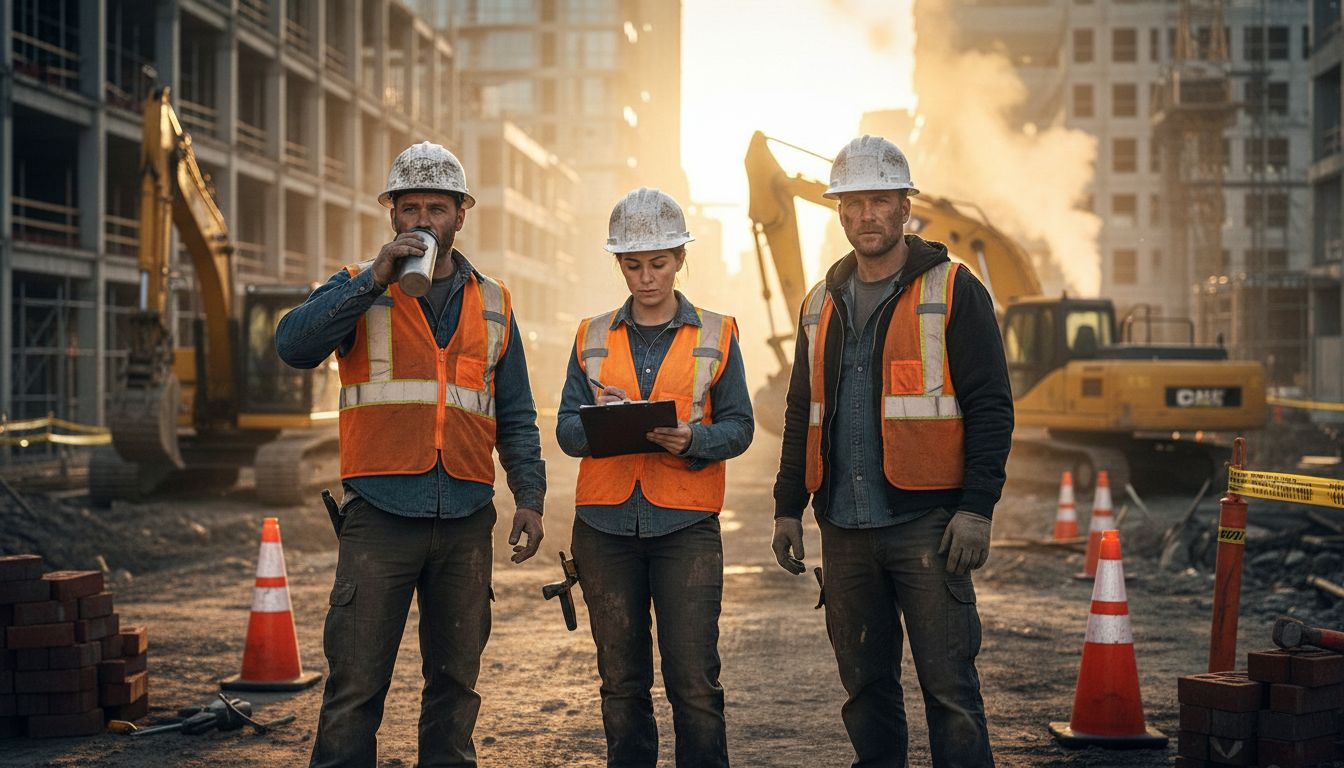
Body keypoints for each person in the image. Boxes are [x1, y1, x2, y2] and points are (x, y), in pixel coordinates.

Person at [275, 141, 546, 768]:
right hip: (380, 517)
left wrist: (529, 498)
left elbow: (516, 414)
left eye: (437, 208)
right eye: (410, 208)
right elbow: (293, 345)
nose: (423, 220)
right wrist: (374, 278)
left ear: (460, 215)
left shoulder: (494, 301)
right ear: (392, 215)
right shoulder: (359, 286)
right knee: (356, 687)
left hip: (466, 519)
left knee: (455, 688)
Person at [770, 135, 1013, 768]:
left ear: (906, 207)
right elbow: (802, 410)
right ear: (839, 212)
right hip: (844, 528)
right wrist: (787, 507)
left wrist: (977, 508)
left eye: (880, 201)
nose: (866, 215)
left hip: (926, 526)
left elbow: (991, 405)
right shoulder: (819, 303)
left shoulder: (954, 289)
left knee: (950, 691)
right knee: (865, 691)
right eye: (853, 203)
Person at [556, 188, 754, 767]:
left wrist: (694, 440)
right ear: (619, 263)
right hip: (604, 528)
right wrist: (600, 422)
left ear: (680, 258)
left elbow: (740, 426)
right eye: (633, 265)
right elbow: (566, 432)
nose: (646, 278)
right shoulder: (591, 335)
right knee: (621, 683)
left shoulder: (717, 333)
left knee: (694, 682)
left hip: (685, 527)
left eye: (658, 264)